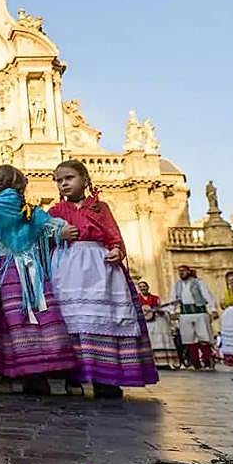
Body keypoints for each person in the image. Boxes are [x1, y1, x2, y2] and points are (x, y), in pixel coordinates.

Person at [0, 168, 79, 395]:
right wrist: (66, 231)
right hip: (28, 273)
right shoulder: (29, 210)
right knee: (32, 322)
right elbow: (54, 226)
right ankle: (35, 372)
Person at [48, 160, 157, 397]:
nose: (64, 183)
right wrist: (58, 233)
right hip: (67, 268)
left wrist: (117, 250)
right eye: (59, 180)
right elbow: (43, 240)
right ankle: (72, 376)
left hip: (100, 266)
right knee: (70, 319)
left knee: (105, 319)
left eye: (69, 178)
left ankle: (106, 378)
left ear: (85, 180)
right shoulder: (55, 212)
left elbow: (113, 236)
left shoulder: (101, 208)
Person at [168, 265, 217, 369]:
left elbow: (207, 295)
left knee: (204, 338)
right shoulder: (177, 285)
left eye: (183, 271)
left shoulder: (199, 282)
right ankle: (196, 363)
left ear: (189, 272)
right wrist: (172, 311)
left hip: (199, 312)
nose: (181, 273)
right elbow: (173, 299)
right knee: (189, 339)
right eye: (179, 271)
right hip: (185, 314)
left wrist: (213, 309)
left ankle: (207, 361)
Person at [138, 281, 177, 370]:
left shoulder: (156, 298)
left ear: (148, 287)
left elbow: (165, 308)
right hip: (144, 324)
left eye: (144, 286)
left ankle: (163, 362)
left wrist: (161, 311)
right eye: (141, 287)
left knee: (159, 341)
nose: (143, 288)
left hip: (156, 323)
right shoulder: (137, 299)